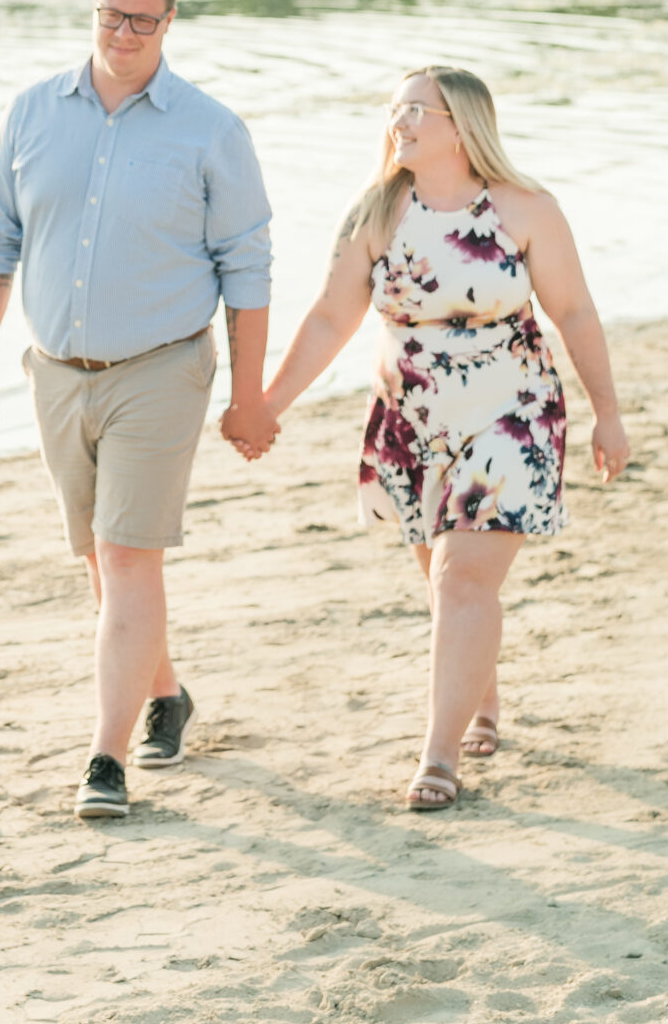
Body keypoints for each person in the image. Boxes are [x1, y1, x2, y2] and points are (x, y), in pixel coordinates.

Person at [255, 66, 630, 811]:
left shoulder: (525, 209)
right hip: (411, 421)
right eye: (394, 108)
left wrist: (606, 413)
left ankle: (438, 754)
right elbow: (330, 319)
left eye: (416, 110)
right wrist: (269, 404)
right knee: (447, 582)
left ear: (461, 126)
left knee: (462, 579)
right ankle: (479, 699)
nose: (399, 121)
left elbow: (575, 314)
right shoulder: (374, 213)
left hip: (512, 412)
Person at [0, 0, 274, 821]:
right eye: (109, 14)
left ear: (169, 22)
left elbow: (246, 269)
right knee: (103, 561)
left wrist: (249, 396)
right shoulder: (31, 113)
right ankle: (165, 693)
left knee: (128, 555)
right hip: (55, 375)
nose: (122, 33)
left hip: (163, 370)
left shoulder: (210, 129)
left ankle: (105, 757)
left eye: (141, 19)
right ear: (91, 8)